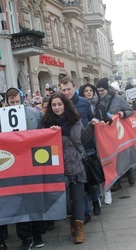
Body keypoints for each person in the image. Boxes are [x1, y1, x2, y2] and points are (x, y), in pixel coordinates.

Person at [42, 92, 100, 244]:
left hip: (76, 163)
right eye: (53, 105)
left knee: (78, 198)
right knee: (66, 202)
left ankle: (80, 228)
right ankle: (72, 221)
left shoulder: (75, 119)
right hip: (58, 167)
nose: (57, 107)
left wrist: (91, 127)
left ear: (65, 105)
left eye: (59, 104)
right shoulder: (46, 123)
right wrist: (51, 133)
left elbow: (82, 139)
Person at [0, 87, 45, 250]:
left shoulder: (35, 114)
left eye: (17, 101)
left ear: (22, 99)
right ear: (7, 102)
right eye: (12, 102)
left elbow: (42, 134)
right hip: (13, 163)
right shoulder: (0, 118)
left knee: (35, 198)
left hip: (31, 161)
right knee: (19, 201)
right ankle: (26, 236)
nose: (15, 105)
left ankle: (37, 233)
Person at [59, 77, 94, 223]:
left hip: (82, 148)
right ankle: (79, 214)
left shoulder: (84, 103)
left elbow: (90, 121)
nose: (66, 92)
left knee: (85, 186)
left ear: (74, 88)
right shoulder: (58, 106)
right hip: (66, 154)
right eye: (63, 90)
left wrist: (92, 125)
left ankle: (87, 210)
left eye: (68, 89)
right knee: (74, 191)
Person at [96, 78, 135, 192]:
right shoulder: (97, 101)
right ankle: (116, 182)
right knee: (112, 157)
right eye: (98, 90)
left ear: (107, 89)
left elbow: (130, 110)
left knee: (121, 155)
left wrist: (123, 114)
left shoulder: (117, 99)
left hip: (118, 132)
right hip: (105, 134)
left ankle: (130, 174)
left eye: (102, 90)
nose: (100, 92)